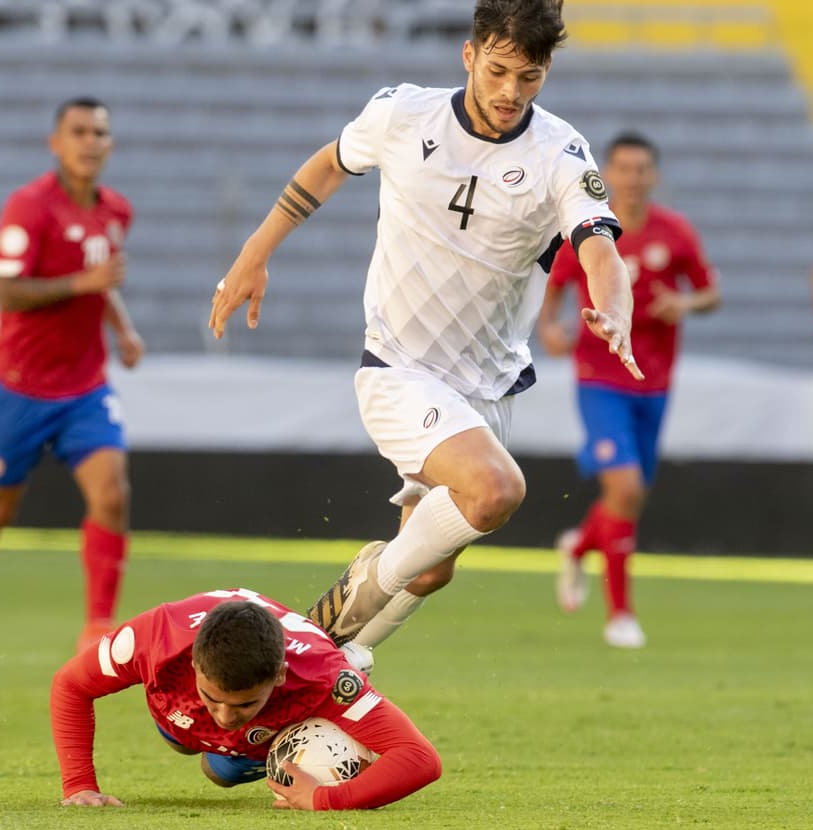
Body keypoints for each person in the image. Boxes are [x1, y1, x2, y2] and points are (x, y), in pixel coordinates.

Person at [209, 0, 641, 648]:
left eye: (529, 77)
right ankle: (345, 621)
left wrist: (615, 307)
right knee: (495, 491)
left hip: (484, 386)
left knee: (430, 566)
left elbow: (599, 247)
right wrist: (256, 250)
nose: (509, 92)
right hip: (399, 367)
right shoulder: (403, 114)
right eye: (497, 71)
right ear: (469, 55)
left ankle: (332, 659)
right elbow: (329, 163)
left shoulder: (561, 152)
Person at [0, 98, 140, 674]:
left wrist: (123, 329)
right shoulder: (30, 207)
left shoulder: (116, 211)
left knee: (112, 494)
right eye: (78, 131)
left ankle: (97, 629)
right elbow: (7, 291)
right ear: (56, 141)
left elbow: (103, 283)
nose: (90, 141)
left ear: (110, 143)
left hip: (84, 387)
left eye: (100, 131)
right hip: (18, 385)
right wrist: (84, 283)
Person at [538, 132, 719, 648]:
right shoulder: (591, 232)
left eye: (642, 169)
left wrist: (683, 306)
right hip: (600, 378)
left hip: (655, 383)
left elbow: (710, 293)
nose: (632, 178)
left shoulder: (675, 233)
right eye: (623, 169)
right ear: (607, 175)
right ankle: (620, 615)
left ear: (653, 175)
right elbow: (554, 285)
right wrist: (551, 328)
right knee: (627, 490)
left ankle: (579, 545)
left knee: (629, 497)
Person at [50, 590, 441, 810]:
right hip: (178, 720)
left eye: (243, 704)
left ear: (280, 676)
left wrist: (324, 797)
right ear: (193, 665)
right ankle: (230, 715)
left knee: (221, 773)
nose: (223, 716)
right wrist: (80, 785)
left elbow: (421, 759)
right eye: (212, 698)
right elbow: (70, 686)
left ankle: (339, 668)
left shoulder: (323, 677)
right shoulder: (153, 639)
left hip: (274, 725)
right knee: (177, 740)